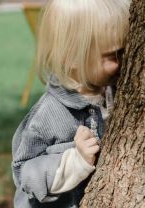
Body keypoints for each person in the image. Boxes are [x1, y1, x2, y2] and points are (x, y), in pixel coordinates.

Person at [11, 0, 131, 207]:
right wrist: (75, 160)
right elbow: (24, 172)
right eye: (114, 55)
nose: (126, 59)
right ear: (73, 57)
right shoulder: (49, 114)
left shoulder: (113, 89)